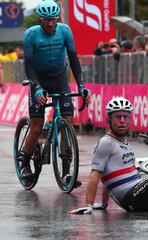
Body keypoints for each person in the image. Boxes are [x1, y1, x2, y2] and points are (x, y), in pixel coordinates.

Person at [19, 0, 90, 180]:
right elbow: (28, 67)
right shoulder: (31, 35)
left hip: (59, 79)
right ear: (40, 19)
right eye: (46, 20)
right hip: (38, 80)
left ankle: (66, 170)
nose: (51, 23)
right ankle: (25, 162)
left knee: (66, 121)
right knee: (36, 126)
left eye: (53, 19)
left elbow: (74, 60)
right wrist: (36, 88)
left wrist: (81, 86)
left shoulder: (65, 30)